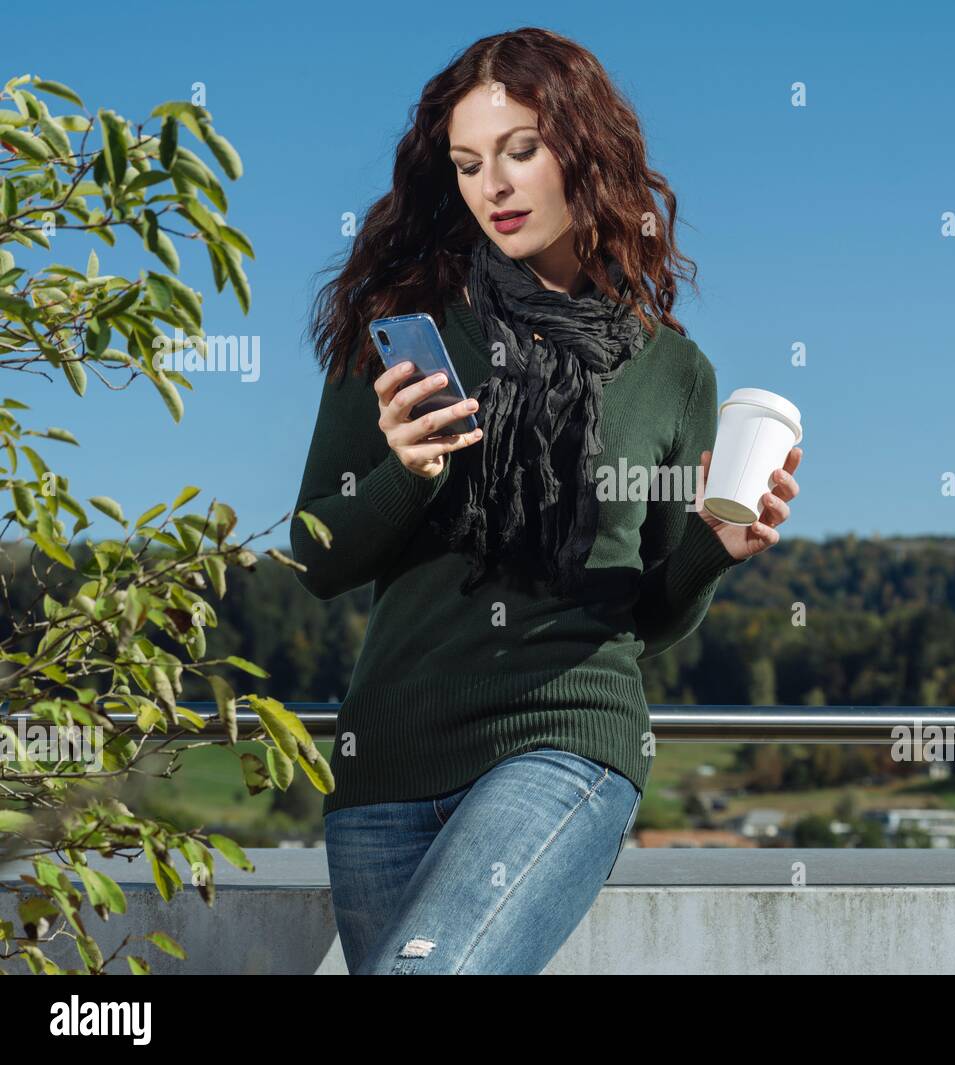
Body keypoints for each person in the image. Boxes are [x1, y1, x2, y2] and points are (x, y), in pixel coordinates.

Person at [293, 27, 802, 975]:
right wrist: (408, 472)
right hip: (388, 763)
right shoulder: (403, 330)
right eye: (468, 162)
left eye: (521, 150)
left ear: (584, 150)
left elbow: (641, 615)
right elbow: (317, 556)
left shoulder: (671, 371)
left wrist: (709, 548)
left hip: (564, 736)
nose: (494, 185)